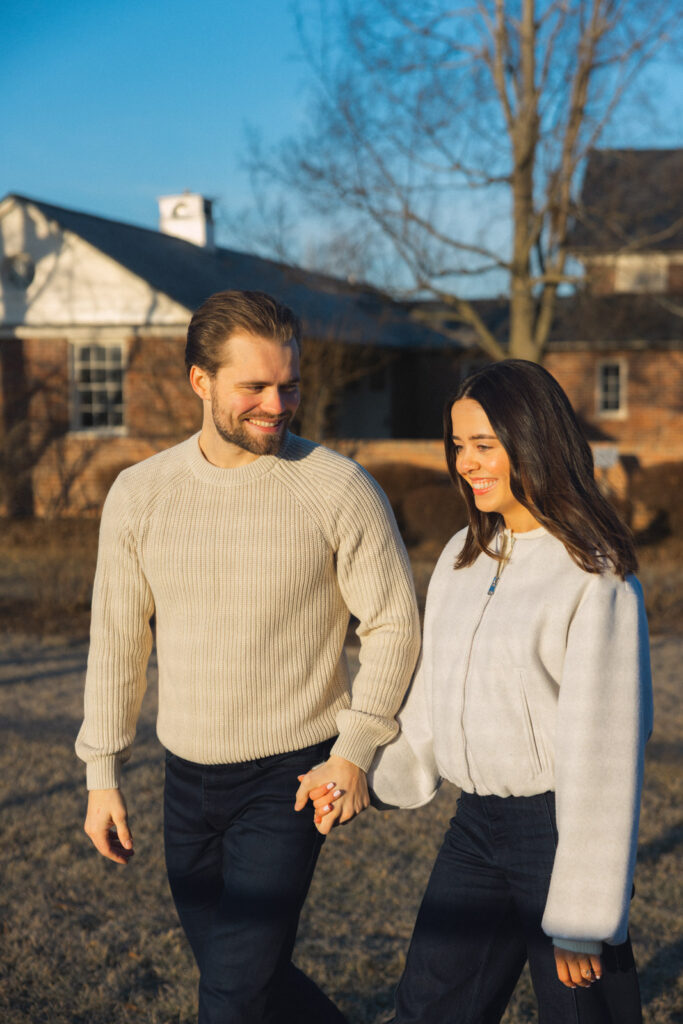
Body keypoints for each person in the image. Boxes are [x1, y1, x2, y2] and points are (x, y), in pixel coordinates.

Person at [76, 289, 420, 1024]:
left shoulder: (338, 487)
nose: (277, 403)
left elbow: (393, 623)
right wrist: (101, 774)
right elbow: (117, 637)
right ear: (200, 381)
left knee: (229, 996)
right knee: (249, 979)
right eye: (255, 387)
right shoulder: (139, 494)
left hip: (291, 778)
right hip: (186, 782)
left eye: (289, 385)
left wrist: (355, 748)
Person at [318, 359, 653, 1023]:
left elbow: (605, 755)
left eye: (483, 446)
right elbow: (429, 702)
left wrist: (582, 915)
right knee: (429, 1008)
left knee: (587, 1018)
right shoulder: (462, 556)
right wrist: (364, 773)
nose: (466, 463)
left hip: (556, 835)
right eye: (457, 445)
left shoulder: (593, 576)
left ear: (533, 443)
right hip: (475, 832)